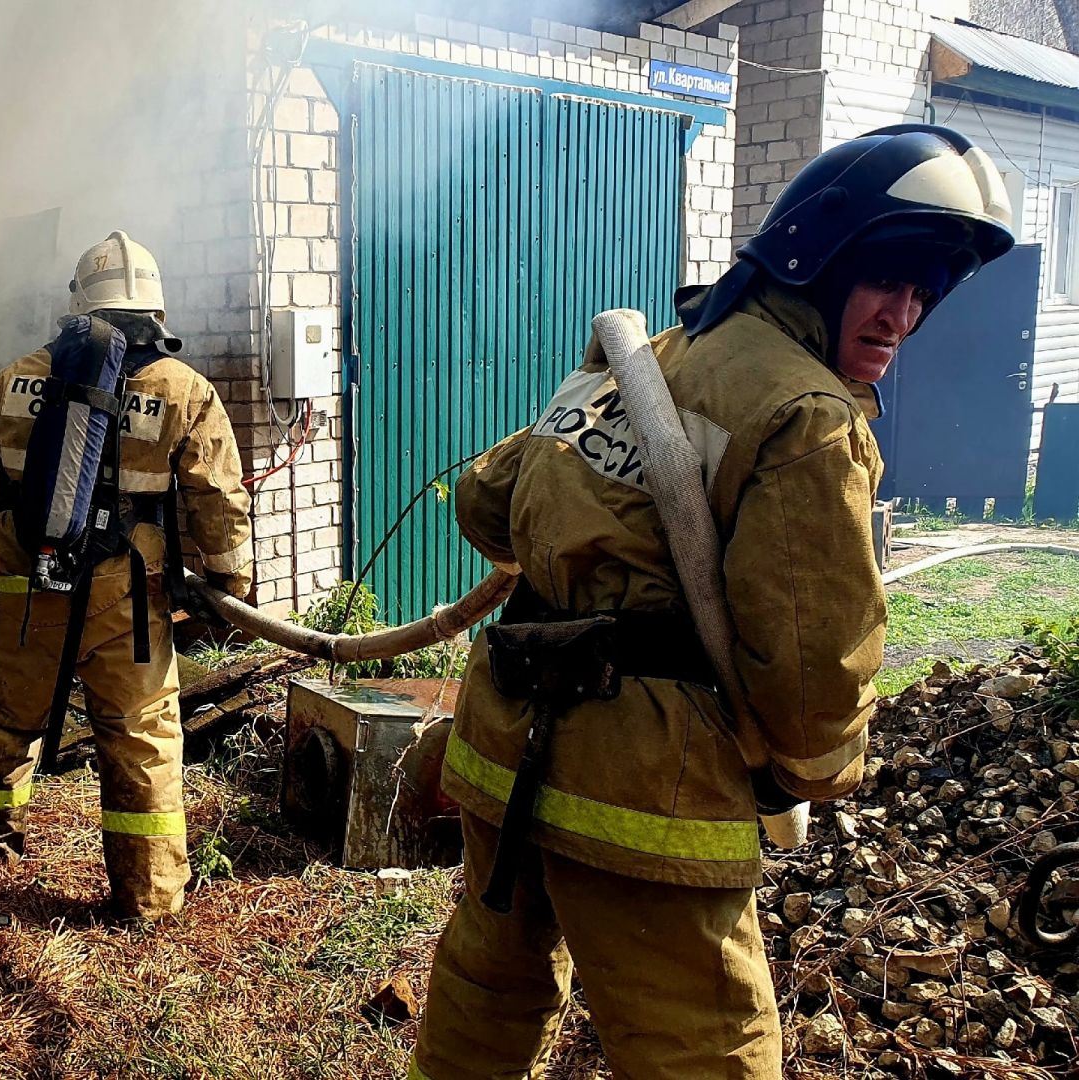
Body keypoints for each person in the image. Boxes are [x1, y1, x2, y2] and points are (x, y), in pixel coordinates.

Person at [409, 125, 1013, 1078]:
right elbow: (814, 682)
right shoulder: (806, 418)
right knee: (710, 1048)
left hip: (504, 738)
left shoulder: (654, 352)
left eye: (925, 293)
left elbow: (488, 501)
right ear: (819, 261)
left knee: (492, 980)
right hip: (645, 795)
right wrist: (810, 775)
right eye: (887, 278)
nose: (903, 314)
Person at [0, 230, 253, 923]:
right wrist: (227, 585)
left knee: (0, 719)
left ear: (78, 305)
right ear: (155, 310)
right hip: (128, 591)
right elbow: (219, 501)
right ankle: (148, 899)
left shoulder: (12, 380)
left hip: (26, 581)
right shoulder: (185, 390)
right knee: (139, 733)